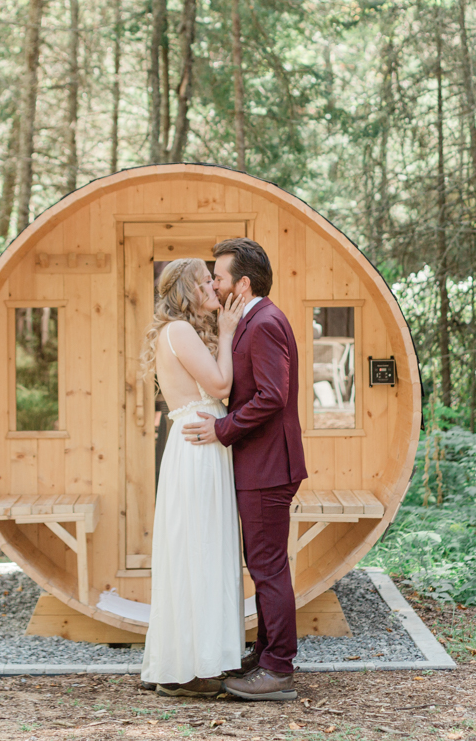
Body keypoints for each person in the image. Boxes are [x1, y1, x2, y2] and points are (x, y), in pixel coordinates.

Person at [182, 237, 308, 702]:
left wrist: (222, 428)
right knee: (262, 564)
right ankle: (267, 652)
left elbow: (272, 396)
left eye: (219, 276)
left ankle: (278, 670)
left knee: (268, 567)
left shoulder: (267, 322)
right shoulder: (251, 320)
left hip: (268, 466)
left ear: (243, 283)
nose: (214, 284)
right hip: (260, 464)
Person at [140, 258, 247, 698]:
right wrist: (227, 333)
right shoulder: (180, 332)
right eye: (206, 281)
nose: (214, 288)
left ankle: (190, 660)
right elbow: (221, 386)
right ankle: (190, 669)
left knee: (200, 550)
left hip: (204, 447)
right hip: (198, 451)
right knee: (200, 551)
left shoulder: (181, 331)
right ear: (187, 287)